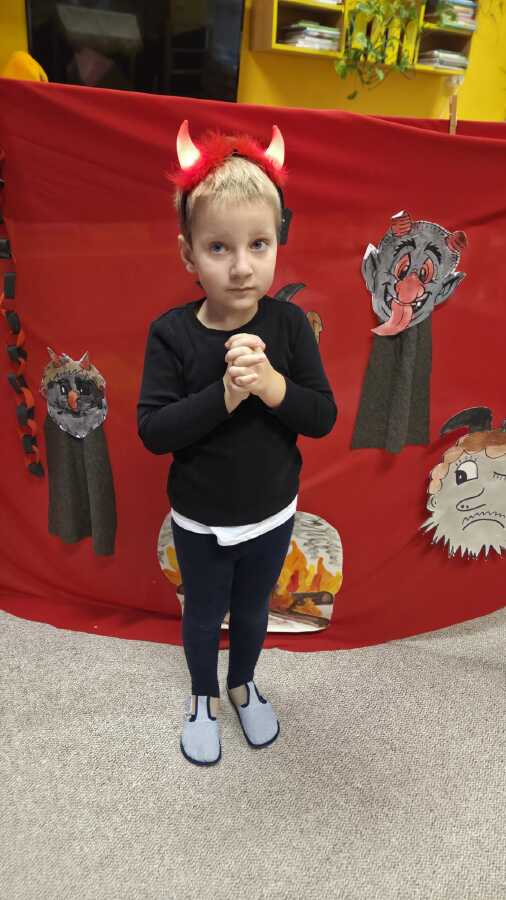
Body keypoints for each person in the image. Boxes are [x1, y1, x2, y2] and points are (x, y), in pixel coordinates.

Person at [137, 120, 337, 766]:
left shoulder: (290, 325)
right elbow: (154, 431)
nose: (243, 266)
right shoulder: (170, 334)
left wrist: (272, 385)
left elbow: (323, 417)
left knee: (252, 611)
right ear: (188, 254)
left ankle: (244, 685)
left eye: (258, 243)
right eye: (219, 247)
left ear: (279, 241)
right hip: (199, 516)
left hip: (272, 511)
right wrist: (224, 394)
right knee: (203, 614)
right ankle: (203, 696)